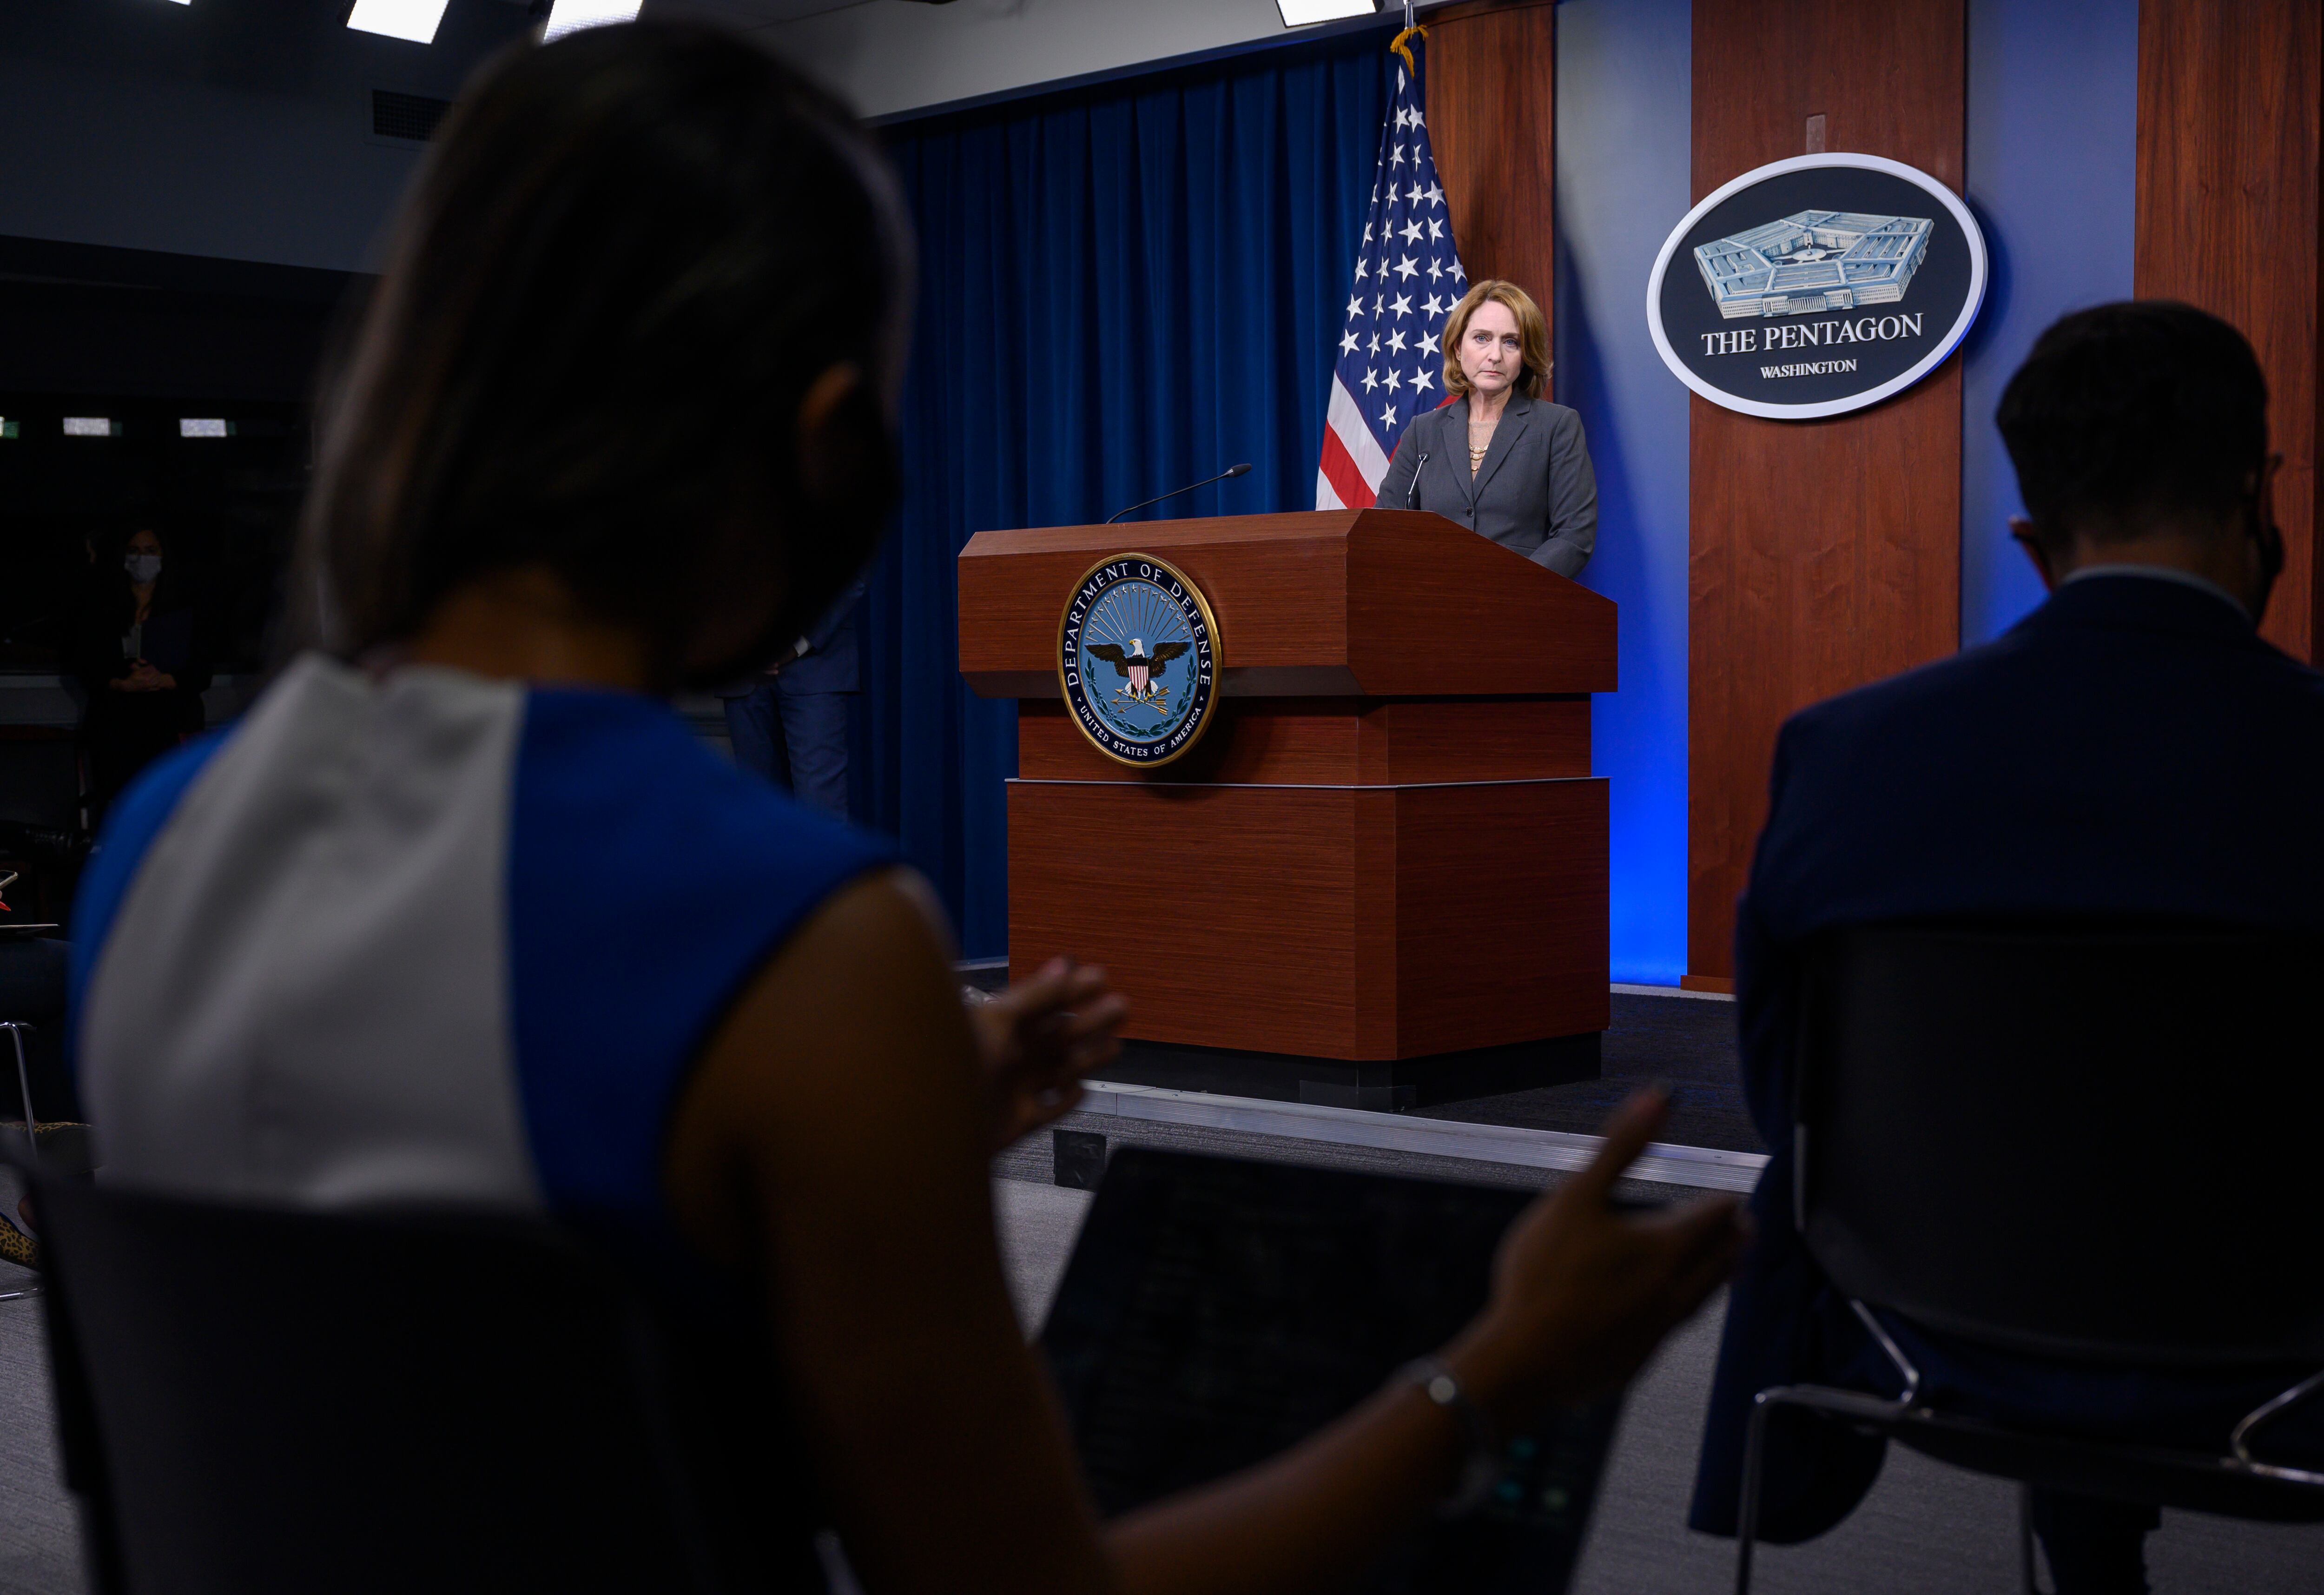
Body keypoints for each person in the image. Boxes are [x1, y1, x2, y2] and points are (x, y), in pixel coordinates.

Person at [68, 24, 1743, 1594]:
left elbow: (429, 1365)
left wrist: (865, 1132)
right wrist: (1495, 1371)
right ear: (822, 444)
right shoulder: (799, 940)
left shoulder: (155, 842)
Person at [1688, 300, 2324, 1593]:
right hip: (2292, 1343)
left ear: (2032, 536)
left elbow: (1787, 1099)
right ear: (2261, 499)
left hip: (1925, 1315)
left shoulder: (1848, 753)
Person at [1376, 279, 1598, 578]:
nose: (1495, 355)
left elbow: (1575, 534)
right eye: (1482, 338)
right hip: (1431, 604)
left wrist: (1508, 589)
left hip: (1520, 605)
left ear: (1524, 356)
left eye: (1511, 342)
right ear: (1457, 348)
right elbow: (1385, 528)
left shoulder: (1557, 426)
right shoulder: (1423, 432)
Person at [68, 523, 212, 816]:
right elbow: (83, 661)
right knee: (120, 808)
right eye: (133, 551)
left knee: (169, 811)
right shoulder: (102, 605)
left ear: (163, 555)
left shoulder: (184, 605)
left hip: (169, 725)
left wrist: (167, 680)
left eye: (150, 551)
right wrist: (120, 683)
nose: (141, 559)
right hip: (116, 727)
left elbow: (202, 667)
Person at [715, 575, 863, 818]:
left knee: (821, 816)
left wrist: (795, 644)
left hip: (816, 666)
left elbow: (855, 565)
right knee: (757, 814)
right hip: (742, 669)